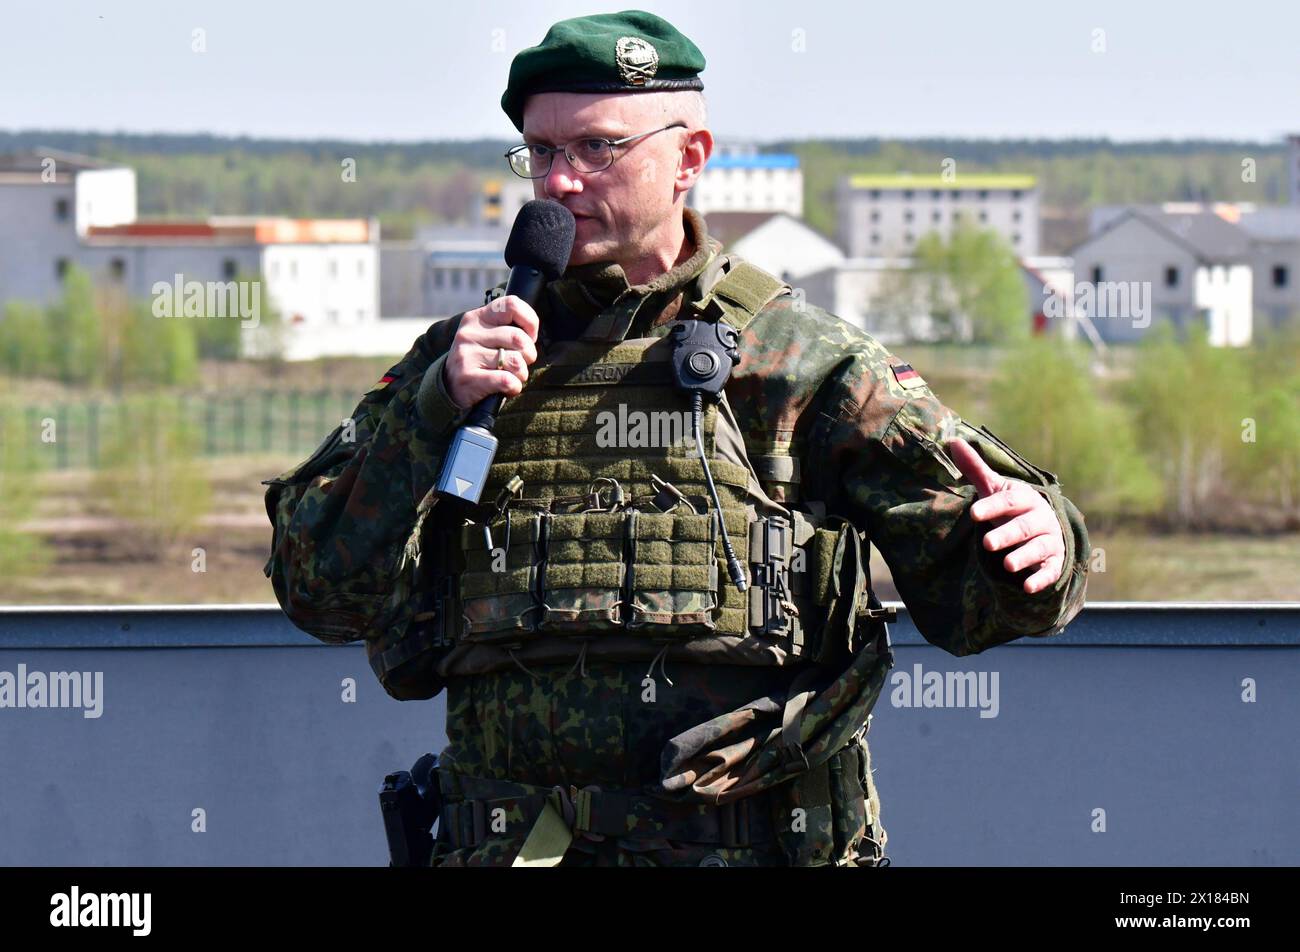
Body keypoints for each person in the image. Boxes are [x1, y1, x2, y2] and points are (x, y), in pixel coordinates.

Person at [263, 9, 1089, 867]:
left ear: (690, 157)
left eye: (596, 149)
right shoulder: (467, 363)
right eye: (541, 153)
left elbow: (979, 589)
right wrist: (434, 410)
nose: (559, 183)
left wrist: (1040, 544)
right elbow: (319, 593)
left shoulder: (799, 359)